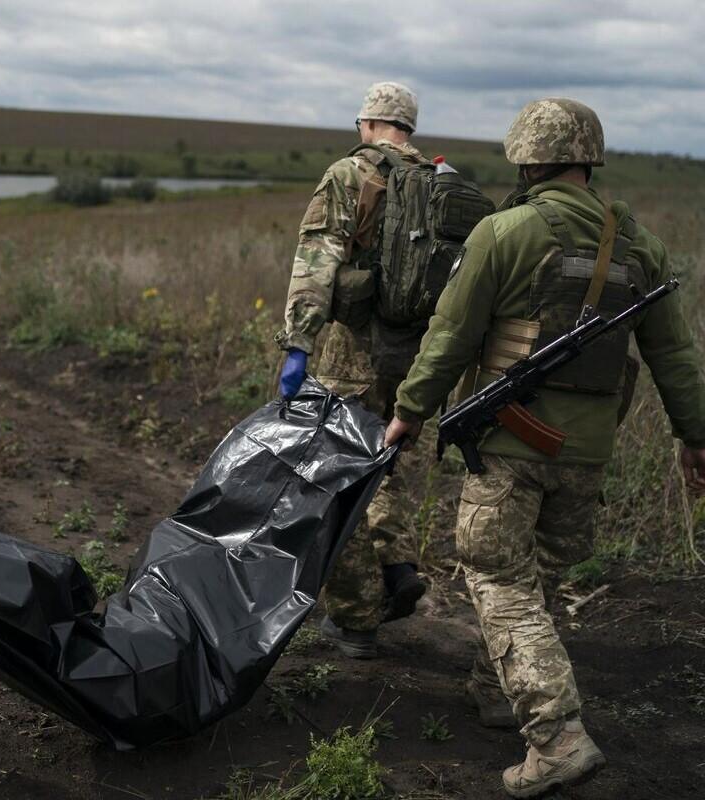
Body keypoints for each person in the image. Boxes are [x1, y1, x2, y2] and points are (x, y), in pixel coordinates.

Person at [384, 98, 705, 797]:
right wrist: (694, 439)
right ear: (588, 157)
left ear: (527, 158)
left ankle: (556, 736)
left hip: (511, 442)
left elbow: (451, 334)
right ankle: (498, 691)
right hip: (586, 455)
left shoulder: (506, 231)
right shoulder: (639, 244)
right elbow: (674, 356)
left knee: (496, 578)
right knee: (540, 579)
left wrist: (408, 412)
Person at [275, 81, 428, 658]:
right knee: (382, 465)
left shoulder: (349, 174)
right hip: (417, 360)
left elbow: (317, 260)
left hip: (354, 355)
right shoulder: (438, 182)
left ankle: (357, 616)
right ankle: (395, 565)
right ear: (407, 127)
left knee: (331, 475)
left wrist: (298, 345)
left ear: (366, 124)